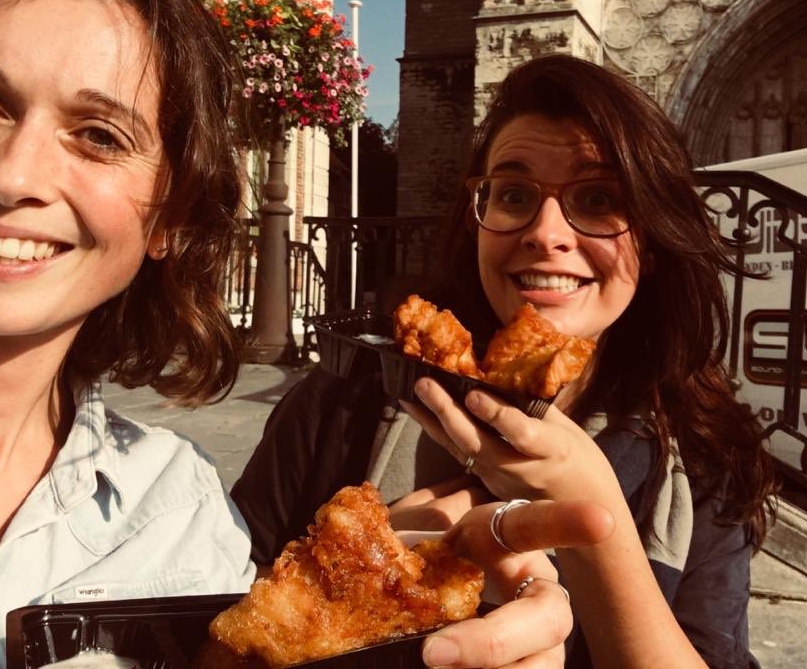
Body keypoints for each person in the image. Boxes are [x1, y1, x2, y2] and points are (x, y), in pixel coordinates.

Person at [0, 0, 607, 669]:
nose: (12, 176)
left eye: (99, 135)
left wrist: (368, 624)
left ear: (170, 217)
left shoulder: (177, 509)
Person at [233, 53, 779, 668]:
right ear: (478, 222)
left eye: (599, 198)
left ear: (651, 243)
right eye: (515, 194)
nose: (547, 232)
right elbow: (220, 629)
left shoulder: (703, 455)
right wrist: (354, 573)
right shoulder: (344, 400)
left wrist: (593, 517)